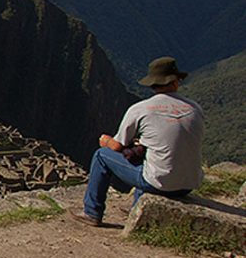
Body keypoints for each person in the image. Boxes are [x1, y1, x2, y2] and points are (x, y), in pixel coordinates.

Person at [71, 56, 204, 227]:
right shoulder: (195, 108)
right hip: (189, 183)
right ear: (176, 82)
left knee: (101, 156)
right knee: (150, 158)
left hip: (160, 183)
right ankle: (138, 208)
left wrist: (106, 141)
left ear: (152, 84)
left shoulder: (140, 109)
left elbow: (118, 145)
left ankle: (91, 212)